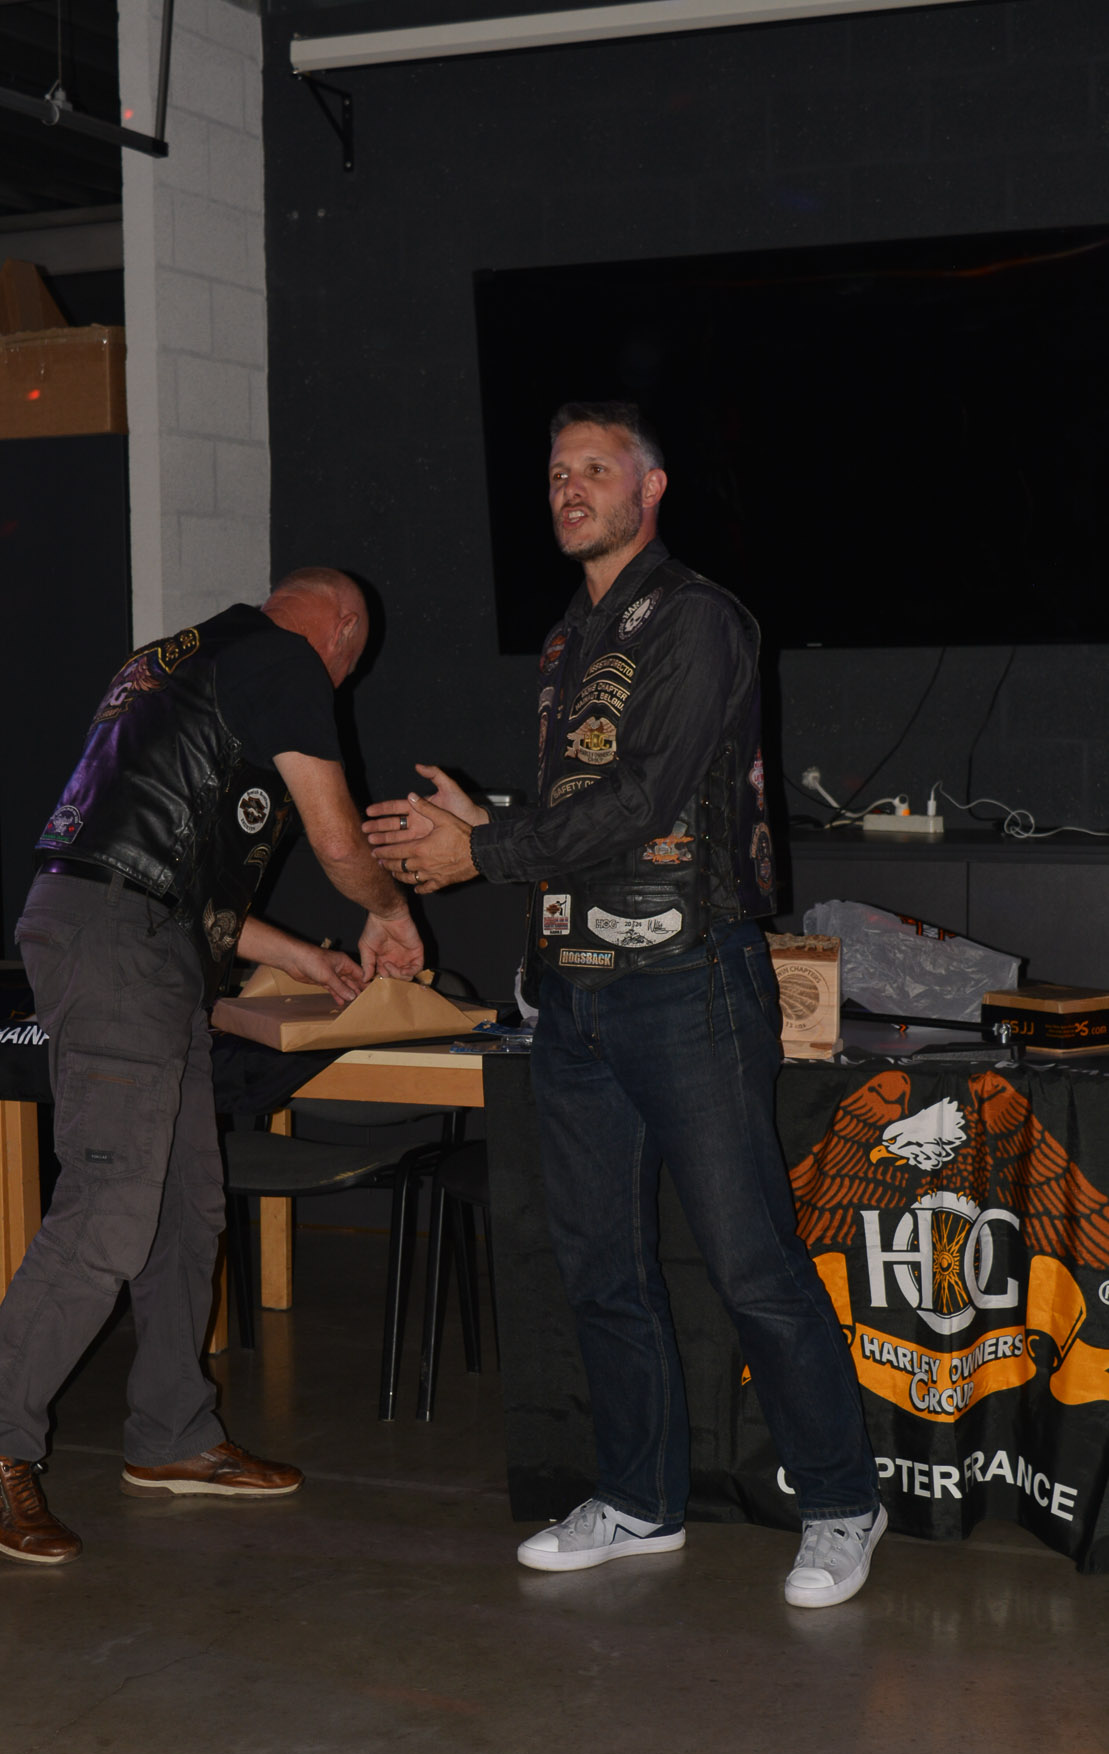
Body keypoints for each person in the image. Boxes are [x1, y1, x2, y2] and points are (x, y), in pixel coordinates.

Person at [364, 402, 884, 1609]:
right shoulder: (568, 640)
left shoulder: (698, 618)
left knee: (750, 1260)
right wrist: (491, 819)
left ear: (650, 489)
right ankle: (639, 1498)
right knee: (600, 1263)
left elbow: (646, 800)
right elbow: (584, 818)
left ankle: (841, 1500)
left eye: (595, 468)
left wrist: (477, 851)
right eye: (558, 471)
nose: (570, 486)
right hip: (576, 989)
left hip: (687, 980)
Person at [0, 568, 424, 1565]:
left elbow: (166, 868)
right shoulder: (286, 661)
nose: (341, 683)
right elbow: (338, 840)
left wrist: (304, 957)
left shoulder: (176, 661)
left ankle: (171, 1432)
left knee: (184, 1206)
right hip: (121, 945)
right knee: (111, 1208)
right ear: (343, 631)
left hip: (137, 936)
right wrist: (389, 911)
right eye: (352, 663)